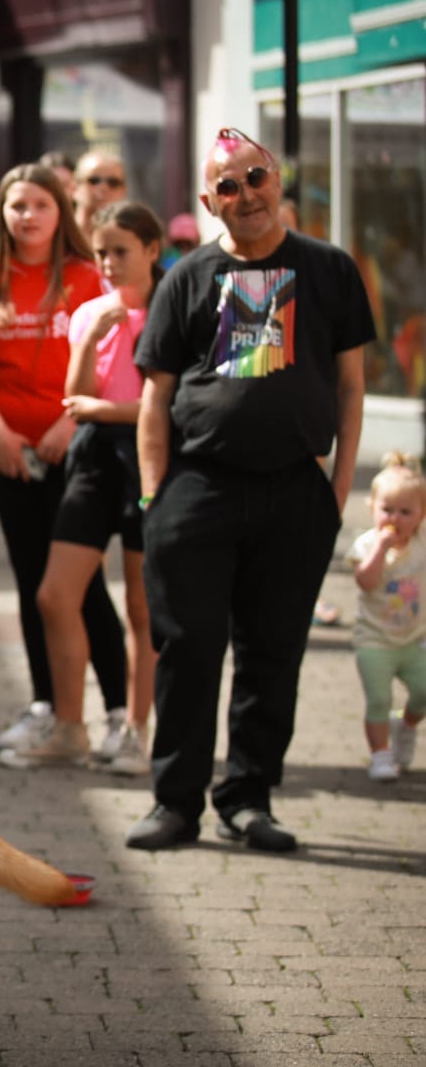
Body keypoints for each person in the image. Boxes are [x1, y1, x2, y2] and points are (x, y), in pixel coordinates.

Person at [128, 126, 374, 853]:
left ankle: (248, 797)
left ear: (278, 179)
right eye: (227, 187)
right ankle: (175, 803)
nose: (246, 195)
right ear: (209, 202)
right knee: (190, 650)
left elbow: (353, 389)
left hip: (297, 492)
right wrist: (153, 500)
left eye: (255, 177)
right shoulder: (187, 277)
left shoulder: (330, 269)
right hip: (197, 490)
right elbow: (155, 399)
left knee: (272, 656)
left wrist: (336, 492)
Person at [0, 163, 128, 751]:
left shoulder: (87, 277)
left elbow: (112, 367)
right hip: (10, 457)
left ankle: (120, 714)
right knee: (31, 583)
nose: (27, 216)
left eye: (39, 205)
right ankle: (48, 707)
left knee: (82, 588)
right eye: (16, 205)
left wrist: (67, 422)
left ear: (61, 211)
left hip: (76, 451)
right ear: (1, 214)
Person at [3, 201, 164, 772]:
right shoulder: (92, 311)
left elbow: (169, 405)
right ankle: (71, 727)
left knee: (144, 606)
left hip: (150, 459)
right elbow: (75, 397)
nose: (109, 263)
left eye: (121, 251)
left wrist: (107, 408)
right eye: (101, 253)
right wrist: (90, 335)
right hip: (94, 456)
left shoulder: (173, 308)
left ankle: (134, 730)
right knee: (54, 593)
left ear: (151, 249)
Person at [347, 452, 426, 782]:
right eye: (387, 509)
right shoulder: (366, 545)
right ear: (372, 508)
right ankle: (380, 754)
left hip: (412, 639)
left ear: (421, 515)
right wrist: (381, 549)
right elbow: (365, 581)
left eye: (406, 512)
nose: (395, 518)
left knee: (423, 693)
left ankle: (405, 724)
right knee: (378, 698)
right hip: (374, 640)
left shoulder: (422, 543)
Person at [72, 149, 127, 243]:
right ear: (75, 186)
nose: (103, 187)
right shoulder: (58, 235)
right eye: (94, 180)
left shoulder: (133, 240)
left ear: (123, 190)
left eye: (113, 182)